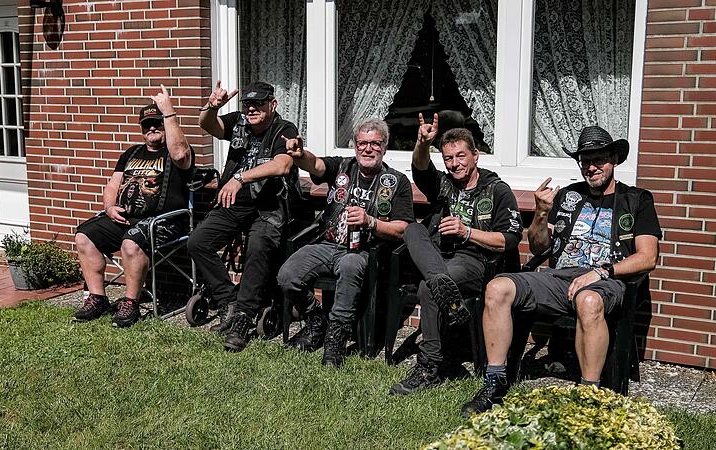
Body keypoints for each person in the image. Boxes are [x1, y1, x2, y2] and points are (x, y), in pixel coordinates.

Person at [461, 125, 661, 417]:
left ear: (614, 160)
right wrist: (541, 213)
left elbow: (647, 257)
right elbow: (539, 246)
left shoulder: (637, 200)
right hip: (559, 278)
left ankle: (587, 395)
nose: (591, 167)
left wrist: (602, 272)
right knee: (497, 288)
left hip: (607, 281)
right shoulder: (569, 196)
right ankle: (494, 382)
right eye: (585, 161)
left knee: (588, 300)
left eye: (599, 159)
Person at [389, 113, 523, 395]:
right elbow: (421, 167)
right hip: (437, 257)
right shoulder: (444, 184)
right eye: (448, 158)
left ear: (476, 156)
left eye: (460, 156)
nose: (454, 164)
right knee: (412, 230)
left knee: (429, 286)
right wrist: (423, 143)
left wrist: (467, 232)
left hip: (474, 260)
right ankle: (441, 284)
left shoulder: (498, 191)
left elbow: (508, 240)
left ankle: (429, 365)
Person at [277, 119, 414, 367]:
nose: (368, 149)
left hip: (363, 251)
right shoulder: (341, 167)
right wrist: (299, 155)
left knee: (351, 266)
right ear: (355, 145)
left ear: (384, 147)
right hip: (328, 243)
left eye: (375, 143)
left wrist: (371, 222)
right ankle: (317, 320)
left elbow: (403, 229)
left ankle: (336, 339)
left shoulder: (397, 182)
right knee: (288, 275)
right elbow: (315, 165)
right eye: (362, 143)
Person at [190, 80, 299, 351]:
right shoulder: (239, 121)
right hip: (235, 203)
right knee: (198, 242)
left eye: (258, 104)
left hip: (269, 206)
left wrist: (239, 177)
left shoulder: (283, 129)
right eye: (248, 104)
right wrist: (211, 107)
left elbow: (282, 165)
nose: (251, 109)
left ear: (272, 105)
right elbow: (208, 125)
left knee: (258, 248)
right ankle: (229, 300)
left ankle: (242, 317)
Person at [73, 85, 194, 328]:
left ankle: (130, 303)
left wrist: (169, 113)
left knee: (131, 242)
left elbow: (181, 154)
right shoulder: (131, 153)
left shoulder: (177, 152)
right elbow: (112, 186)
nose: (152, 128)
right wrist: (109, 207)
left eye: (157, 123)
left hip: (165, 221)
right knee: (84, 235)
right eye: (146, 124)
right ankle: (97, 298)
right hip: (126, 219)